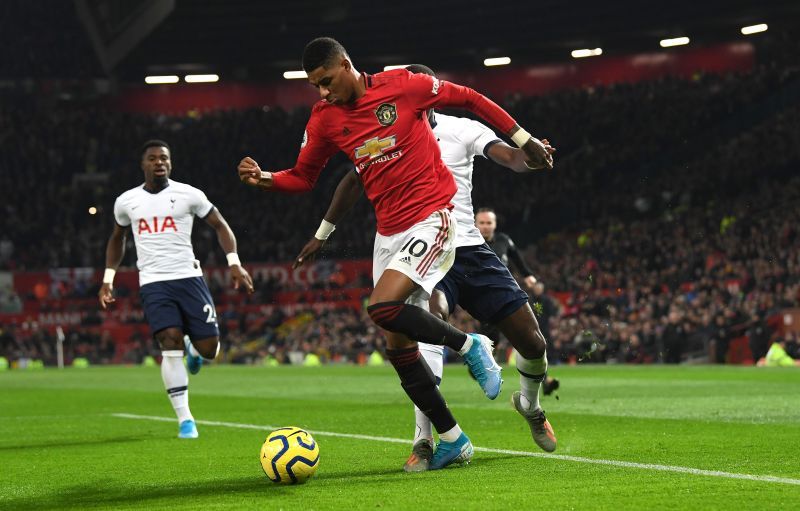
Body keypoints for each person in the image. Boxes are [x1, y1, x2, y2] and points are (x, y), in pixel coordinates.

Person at [238, 38, 553, 470]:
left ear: (346, 65)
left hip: (433, 220)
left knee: (382, 307)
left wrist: (524, 139)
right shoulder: (325, 118)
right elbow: (304, 176)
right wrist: (267, 179)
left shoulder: (404, 87)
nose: (323, 92)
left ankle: (471, 344)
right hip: (388, 234)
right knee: (397, 345)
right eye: (315, 86)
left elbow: (473, 98)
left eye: (327, 81)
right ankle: (450, 438)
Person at [99, 140, 254, 439]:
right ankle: (186, 420)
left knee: (211, 349)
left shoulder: (189, 194)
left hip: (189, 278)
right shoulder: (126, 201)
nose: (160, 163)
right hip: (154, 282)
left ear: (171, 163)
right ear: (143, 164)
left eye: (165, 158)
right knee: (169, 342)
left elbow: (220, 225)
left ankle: (194, 350)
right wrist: (108, 279)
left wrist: (234, 263)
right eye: (154, 158)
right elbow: (117, 238)